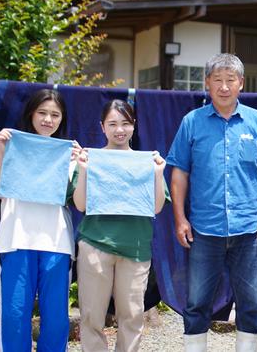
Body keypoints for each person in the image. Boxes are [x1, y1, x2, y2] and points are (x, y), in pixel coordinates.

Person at [167, 53, 257, 352]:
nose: (223, 86)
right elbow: (179, 173)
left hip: (249, 228)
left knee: (252, 301)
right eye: (217, 80)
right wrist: (180, 218)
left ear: (241, 84)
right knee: (196, 302)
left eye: (230, 80)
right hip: (204, 228)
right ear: (207, 83)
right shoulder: (191, 122)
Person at [0, 89, 80, 351]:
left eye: (55, 114)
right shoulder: (11, 145)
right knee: (15, 315)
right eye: (42, 113)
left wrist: (82, 166)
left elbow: (79, 200)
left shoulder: (70, 153)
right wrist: (2, 150)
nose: (48, 119)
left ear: (62, 119)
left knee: (56, 318)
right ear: (31, 114)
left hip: (57, 242)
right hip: (16, 239)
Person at [71, 99, 169, 352]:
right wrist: (82, 170)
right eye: (112, 124)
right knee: (92, 317)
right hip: (95, 244)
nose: (119, 130)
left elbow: (157, 207)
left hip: (135, 248)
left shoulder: (146, 162)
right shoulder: (90, 159)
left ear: (134, 126)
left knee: (132, 318)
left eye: (125, 123)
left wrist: (158, 174)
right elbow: (80, 205)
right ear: (102, 127)